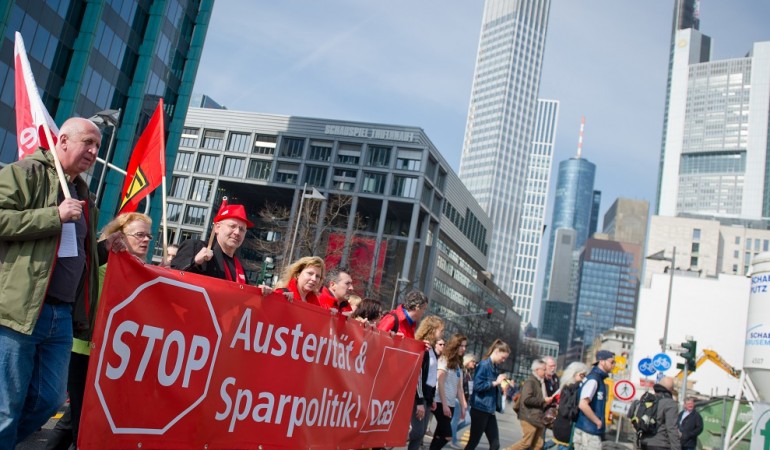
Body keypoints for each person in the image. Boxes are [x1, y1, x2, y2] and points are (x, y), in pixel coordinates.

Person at [0, 117, 109, 448]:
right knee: (7, 406)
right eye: (87, 143)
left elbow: (80, 257)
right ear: (62, 141)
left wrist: (108, 247)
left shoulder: (82, 194)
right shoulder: (26, 173)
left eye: (97, 147)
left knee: (48, 401)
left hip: (60, 317)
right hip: (19, 310)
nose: (93, 151)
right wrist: (53, 216)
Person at [48, 213, 152, 449]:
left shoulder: (142, 269)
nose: (146, 240)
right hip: (85, 349)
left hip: (113, 356)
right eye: (139, 234)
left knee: (76, 416)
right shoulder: (102, 263)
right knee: (84, 421)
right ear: (119, 235)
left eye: (148, 235)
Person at [172, 202, 264, 290]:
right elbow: (171, 276)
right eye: (232, 226)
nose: (237, 233)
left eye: (242, 229)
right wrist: (195, 261)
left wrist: (259, 292)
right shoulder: (196, 246)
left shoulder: (239, 268)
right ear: (217, 227)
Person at [464, 339, 511, 450]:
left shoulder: (494, 367)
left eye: (505, 358)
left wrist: (501, 385)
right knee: (473, 442)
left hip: (489, 410)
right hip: (480, 409)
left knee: (495, 445)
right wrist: (496, 382)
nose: (503, 360)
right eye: (503, 357)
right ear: (496, 351)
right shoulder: (484, 365)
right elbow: (478, 386)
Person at [407, 316, 444, 450]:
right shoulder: (423, 347)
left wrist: (432, 398)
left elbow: (431, 375)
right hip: (420, 395)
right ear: (432, 329)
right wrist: (419, 401)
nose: (442, 333)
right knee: (416, 432)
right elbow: (418, 375)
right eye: (441, 330)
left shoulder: (432, 349)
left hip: (428, 396)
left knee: (421, 432)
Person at [431, 334, 468, 450]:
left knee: (438, 435)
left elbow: (459, 387)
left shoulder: (458, 364)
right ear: (454, 346)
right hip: (440, 402)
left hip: (451, 404)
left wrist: (463, 405)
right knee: (447, 436)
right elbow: (440, 382)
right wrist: (445, 405)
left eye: (465, 346)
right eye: (461, 346)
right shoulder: (444, 359)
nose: (464, 349)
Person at [574, 350, 616, 450]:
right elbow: (583, 404)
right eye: (612, 362)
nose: (614, 365)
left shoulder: (598, 379)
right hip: (588, 431)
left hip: (588, 429)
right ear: (602, 361)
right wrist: (597, 421)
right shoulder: (594, 379)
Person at [509, 359, 554, 450]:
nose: (546, 371)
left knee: (538, 445)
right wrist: (543, 400)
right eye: (544, 369)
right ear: (537, 370)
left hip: (536, 417)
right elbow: (527, 399)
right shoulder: (531, 382)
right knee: (526, 443)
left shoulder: (538, 382)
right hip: (529, 416)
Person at [551, 362, 589, 450]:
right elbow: (565, 410)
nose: (583, 379)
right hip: (565, 429)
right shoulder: (569, 388)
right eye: (582, 375)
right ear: (573, 374)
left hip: (566, 428)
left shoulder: (571, 388)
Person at [640, 377, 681, 450]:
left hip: (644, 442)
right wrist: (677, 448)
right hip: (661, 444)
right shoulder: (670, 403)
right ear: (671, 389)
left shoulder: (649, 399)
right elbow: (671, 428)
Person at [451, 353, 477, 447]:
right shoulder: (462, 371)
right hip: (459, 399)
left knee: (468, 420)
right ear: (468, 361)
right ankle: (453, 440)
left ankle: (450, 433)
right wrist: (463, 401)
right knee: (455, 420)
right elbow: (459, 387)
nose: (474, 363)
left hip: (467, 399)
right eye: (473, 361)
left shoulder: (469, 373)